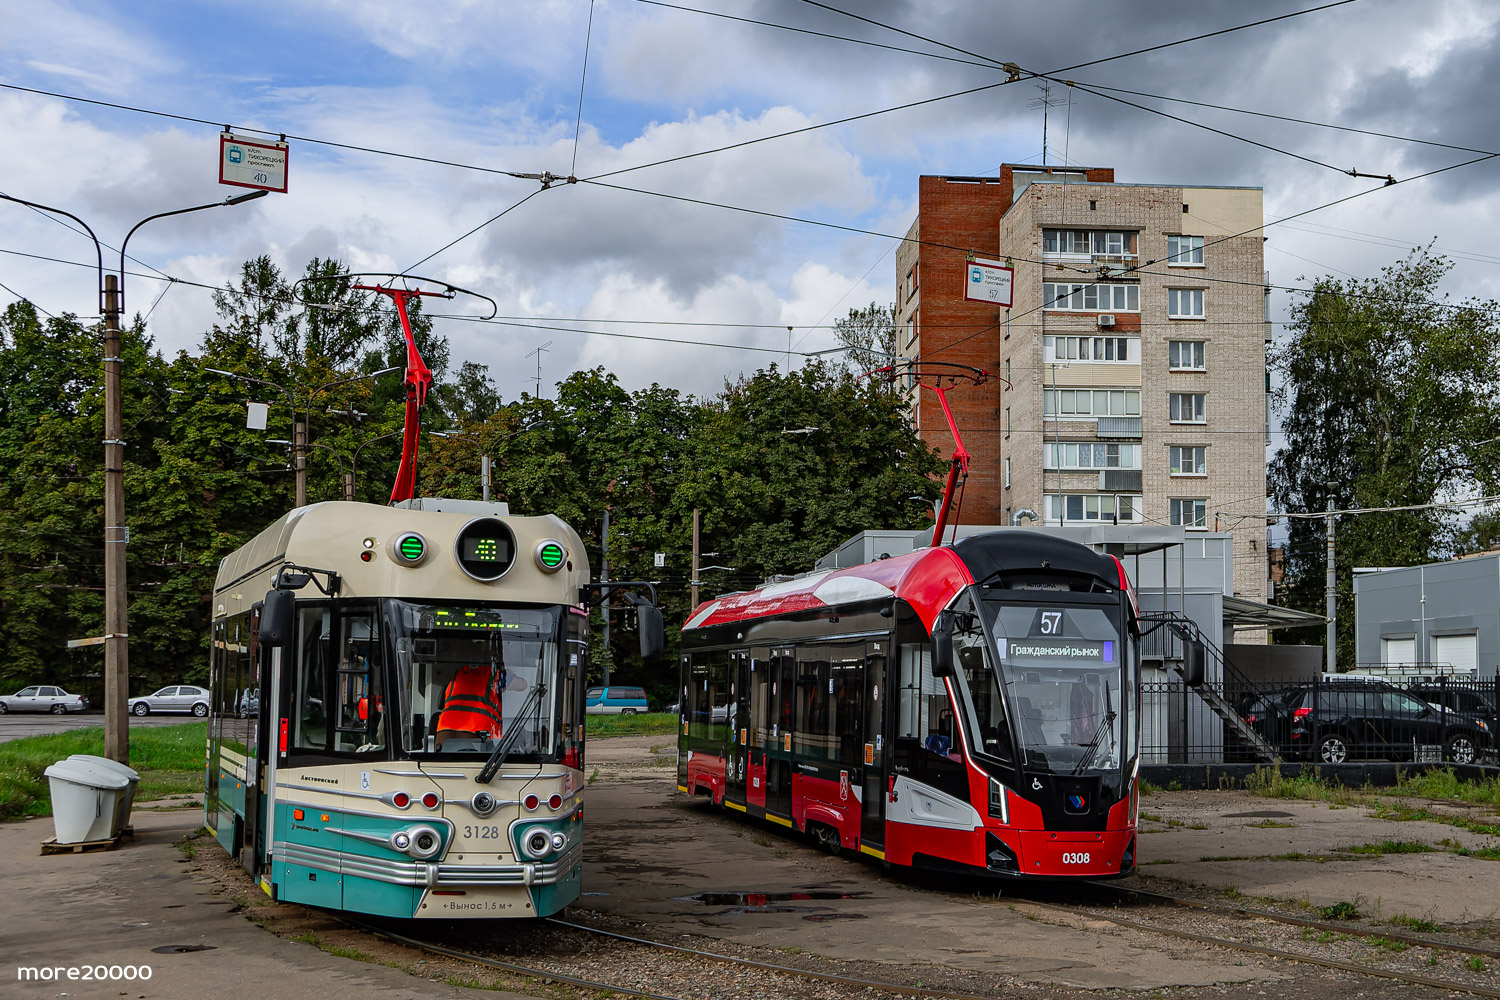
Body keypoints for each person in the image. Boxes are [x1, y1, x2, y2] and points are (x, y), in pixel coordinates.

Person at [434, 664, 504, 749]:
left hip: (444, 727)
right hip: (475, 729)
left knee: (440, 760)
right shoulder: (495, 674)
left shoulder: (457, 672)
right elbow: (522, 685)